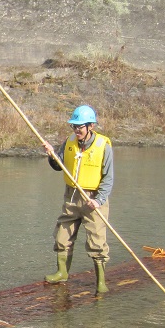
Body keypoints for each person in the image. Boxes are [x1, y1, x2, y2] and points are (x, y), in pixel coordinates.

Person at [43, 104, 113, 294]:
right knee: (62, 236)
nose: (76, 130)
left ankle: (101, 282)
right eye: (74, 126)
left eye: (79, 127)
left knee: (97, 243)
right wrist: (51, 155)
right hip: (72, 196)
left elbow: (108, 178)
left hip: (93, 198)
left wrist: (98, 200)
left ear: (90, 126)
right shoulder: (69, 142)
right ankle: (62, 272)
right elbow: (59, 166)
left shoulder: (103, 146)